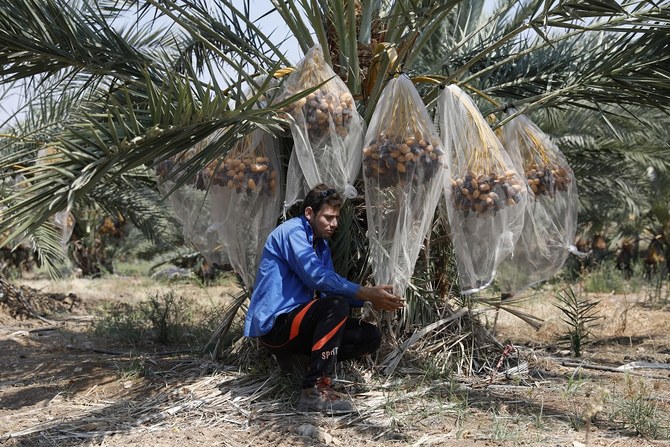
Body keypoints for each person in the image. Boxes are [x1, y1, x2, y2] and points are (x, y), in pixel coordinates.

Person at [244, 183, 404, 414]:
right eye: (328, 217)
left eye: (336, 217)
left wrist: (371, 301)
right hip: (276, 328)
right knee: (335, 307)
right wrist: (365, 292)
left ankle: (304, 364)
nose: (335, 224)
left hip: (300, 324)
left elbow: (329, 291)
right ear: (309, 213)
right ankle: (314, 390)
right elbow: (317, 278)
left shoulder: (321, 246)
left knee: (370, 337)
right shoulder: (292, 232)